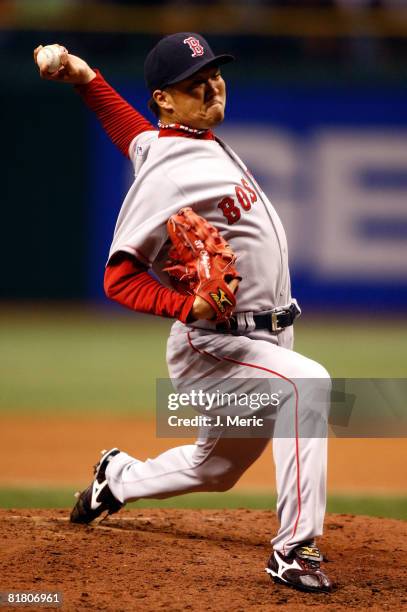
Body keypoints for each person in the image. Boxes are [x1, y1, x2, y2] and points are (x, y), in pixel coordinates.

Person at [34, 32, 333, 594]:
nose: (212, 84)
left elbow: (135, 134)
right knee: (308, 388)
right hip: (216, 344)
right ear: (165, 98)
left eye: (215, 72)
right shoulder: (167, 173)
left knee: (214, 471)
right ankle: (293, 550)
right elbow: (117, 277)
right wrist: (184, 304)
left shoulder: (182, 139)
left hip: (264, 339)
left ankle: (115, 479)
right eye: (194, 81)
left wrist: (85, 78)